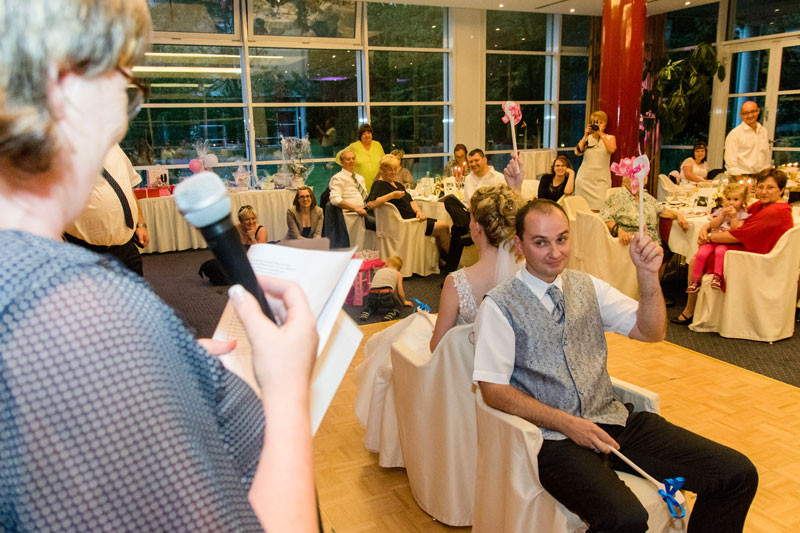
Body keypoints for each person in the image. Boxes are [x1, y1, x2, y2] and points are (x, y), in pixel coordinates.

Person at [0, 2, 318, 531]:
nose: (125, 111)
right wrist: (288, 393)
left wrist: (158, 365)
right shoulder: (76, 318)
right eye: (125, 79)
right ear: (64, 82)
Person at [473, 199, 758, 532]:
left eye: (562, 239)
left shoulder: (587, 286)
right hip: (550, 440)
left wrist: (648, 276)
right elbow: (493, 390)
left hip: (611, 419)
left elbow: (651, 332)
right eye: (541, 242)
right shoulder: (499, 305)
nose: (555, 252)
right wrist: (567, 423)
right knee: (625, 519)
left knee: (736, 474)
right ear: (520, 244)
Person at [673, 168, 794, 325]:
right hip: (753, 247)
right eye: (761, 187)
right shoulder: (762, 205)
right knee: (702, 254)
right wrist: (705, 228)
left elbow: (737, 234)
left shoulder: (775, 211)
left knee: (697, 258)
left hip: (756, 259)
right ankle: (692, 305)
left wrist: (709, 237)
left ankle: (689, 309)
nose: (764, 192)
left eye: (770, 187)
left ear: (782, 190)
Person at [430, 185, 523, 351]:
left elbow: (437, 347)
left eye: (470, 218)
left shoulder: (456, 282)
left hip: (467, 368)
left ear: (477, 227)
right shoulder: (527, 272)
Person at [63, 144, 151, 276]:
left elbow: (127, 187)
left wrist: (140, 224)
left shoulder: (113, 147)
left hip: (126, 247)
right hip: (84, 249)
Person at [367, 154, 451, 259]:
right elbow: (370, 204)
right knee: (443, 226)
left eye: (395, 169)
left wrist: (418, 212)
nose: (393, 172)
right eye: (389, 170)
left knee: (442, 226)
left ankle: (440, 262)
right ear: (382, 170)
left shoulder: (398, 184)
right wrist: (392, 195)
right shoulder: (379, 184)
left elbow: (411, 201)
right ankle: (453, 263)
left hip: (413, 219)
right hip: (406, 224)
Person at [686, 183, 750, 293]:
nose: (731, 202)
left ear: (743, 201)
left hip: (726, 242)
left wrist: (733, 217)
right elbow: (712, 225)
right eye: (729, 199)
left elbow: (736, 230)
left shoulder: (742, 215)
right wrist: (721, 216)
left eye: (736, 199)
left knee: (720, 253)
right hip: (713, 240)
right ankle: (695, 280)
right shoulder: (721, 211)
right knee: (701, 254)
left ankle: (717, 277)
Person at [574, 110, 616, 211]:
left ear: (605, 124)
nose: (597, 125)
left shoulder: (610, 138)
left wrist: (601, 134)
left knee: (601, 208)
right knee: (583, 209)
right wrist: (585, 135)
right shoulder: (588, 139)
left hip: (601, 180)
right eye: (595, 123)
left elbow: (611, 149)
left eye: (600, 123)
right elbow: (577, 152)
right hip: (584, 179)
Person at [328, 149, 375, 230]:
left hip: (366, 211)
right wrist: (355, 208)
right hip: (352, 215)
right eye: (348, 159)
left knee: (387, 221)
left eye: (353, 158)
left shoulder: (360, 178)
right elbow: (334, 199)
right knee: (382, 226)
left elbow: (365, 197)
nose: (352, 161)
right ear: (342, 162)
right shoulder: (338, 178)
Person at [724, 101, 771, 178]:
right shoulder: (735, 134)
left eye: (753, 111)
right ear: (741, 115)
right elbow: (731, 162)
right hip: (741, 176)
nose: (750, 115)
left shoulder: (763, 131)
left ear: (758, 111)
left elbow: (766, 155)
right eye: (746, 113)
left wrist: (767, 174)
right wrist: (740, 180)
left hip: (762, 176)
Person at [359, 256, 411, 322]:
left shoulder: (379, 271)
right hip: (386, 295)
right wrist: (404, 301)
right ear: (399, 268)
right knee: (397, 305)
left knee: (371, 305)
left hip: (372, 294)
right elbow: (400, 292)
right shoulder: (398, 273)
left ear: (386, 264)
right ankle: (392, 312)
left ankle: (367, 311)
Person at [337, 123, 385, 190]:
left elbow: (384, 161)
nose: (367, 135)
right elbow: (339, 156)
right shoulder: (354, 146)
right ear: (360, 136)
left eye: (369, 133)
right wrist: (347, 167)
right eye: (364, 134)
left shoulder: (377, 145)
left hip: (378, 182)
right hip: (360, 183)